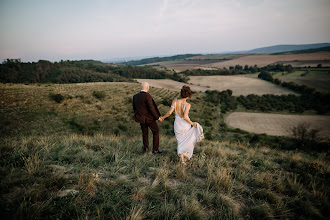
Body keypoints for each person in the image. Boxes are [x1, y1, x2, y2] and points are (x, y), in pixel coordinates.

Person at [160, 86, 204, 164]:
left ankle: (182, 158)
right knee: (186, 141)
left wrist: (163, 117)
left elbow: (170, 113)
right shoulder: (187, 105)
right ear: (188, 95)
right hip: (186, 125)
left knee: (180, 141)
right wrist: (192, 123)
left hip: (178, 125)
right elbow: (185, 117)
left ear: (181, 93)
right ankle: (183, 158)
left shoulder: (175, 101)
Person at [132, 82, 164, 154]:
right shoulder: (147, 96)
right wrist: (158, 117)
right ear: (147, 87)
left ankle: (145, 149)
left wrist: (138, 116)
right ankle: (155, 150)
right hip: (149, 118)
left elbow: (134, 108)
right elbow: (152, 108)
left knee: (145, 133)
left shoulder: (135, 96)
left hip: (140, 118)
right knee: (156, 132)